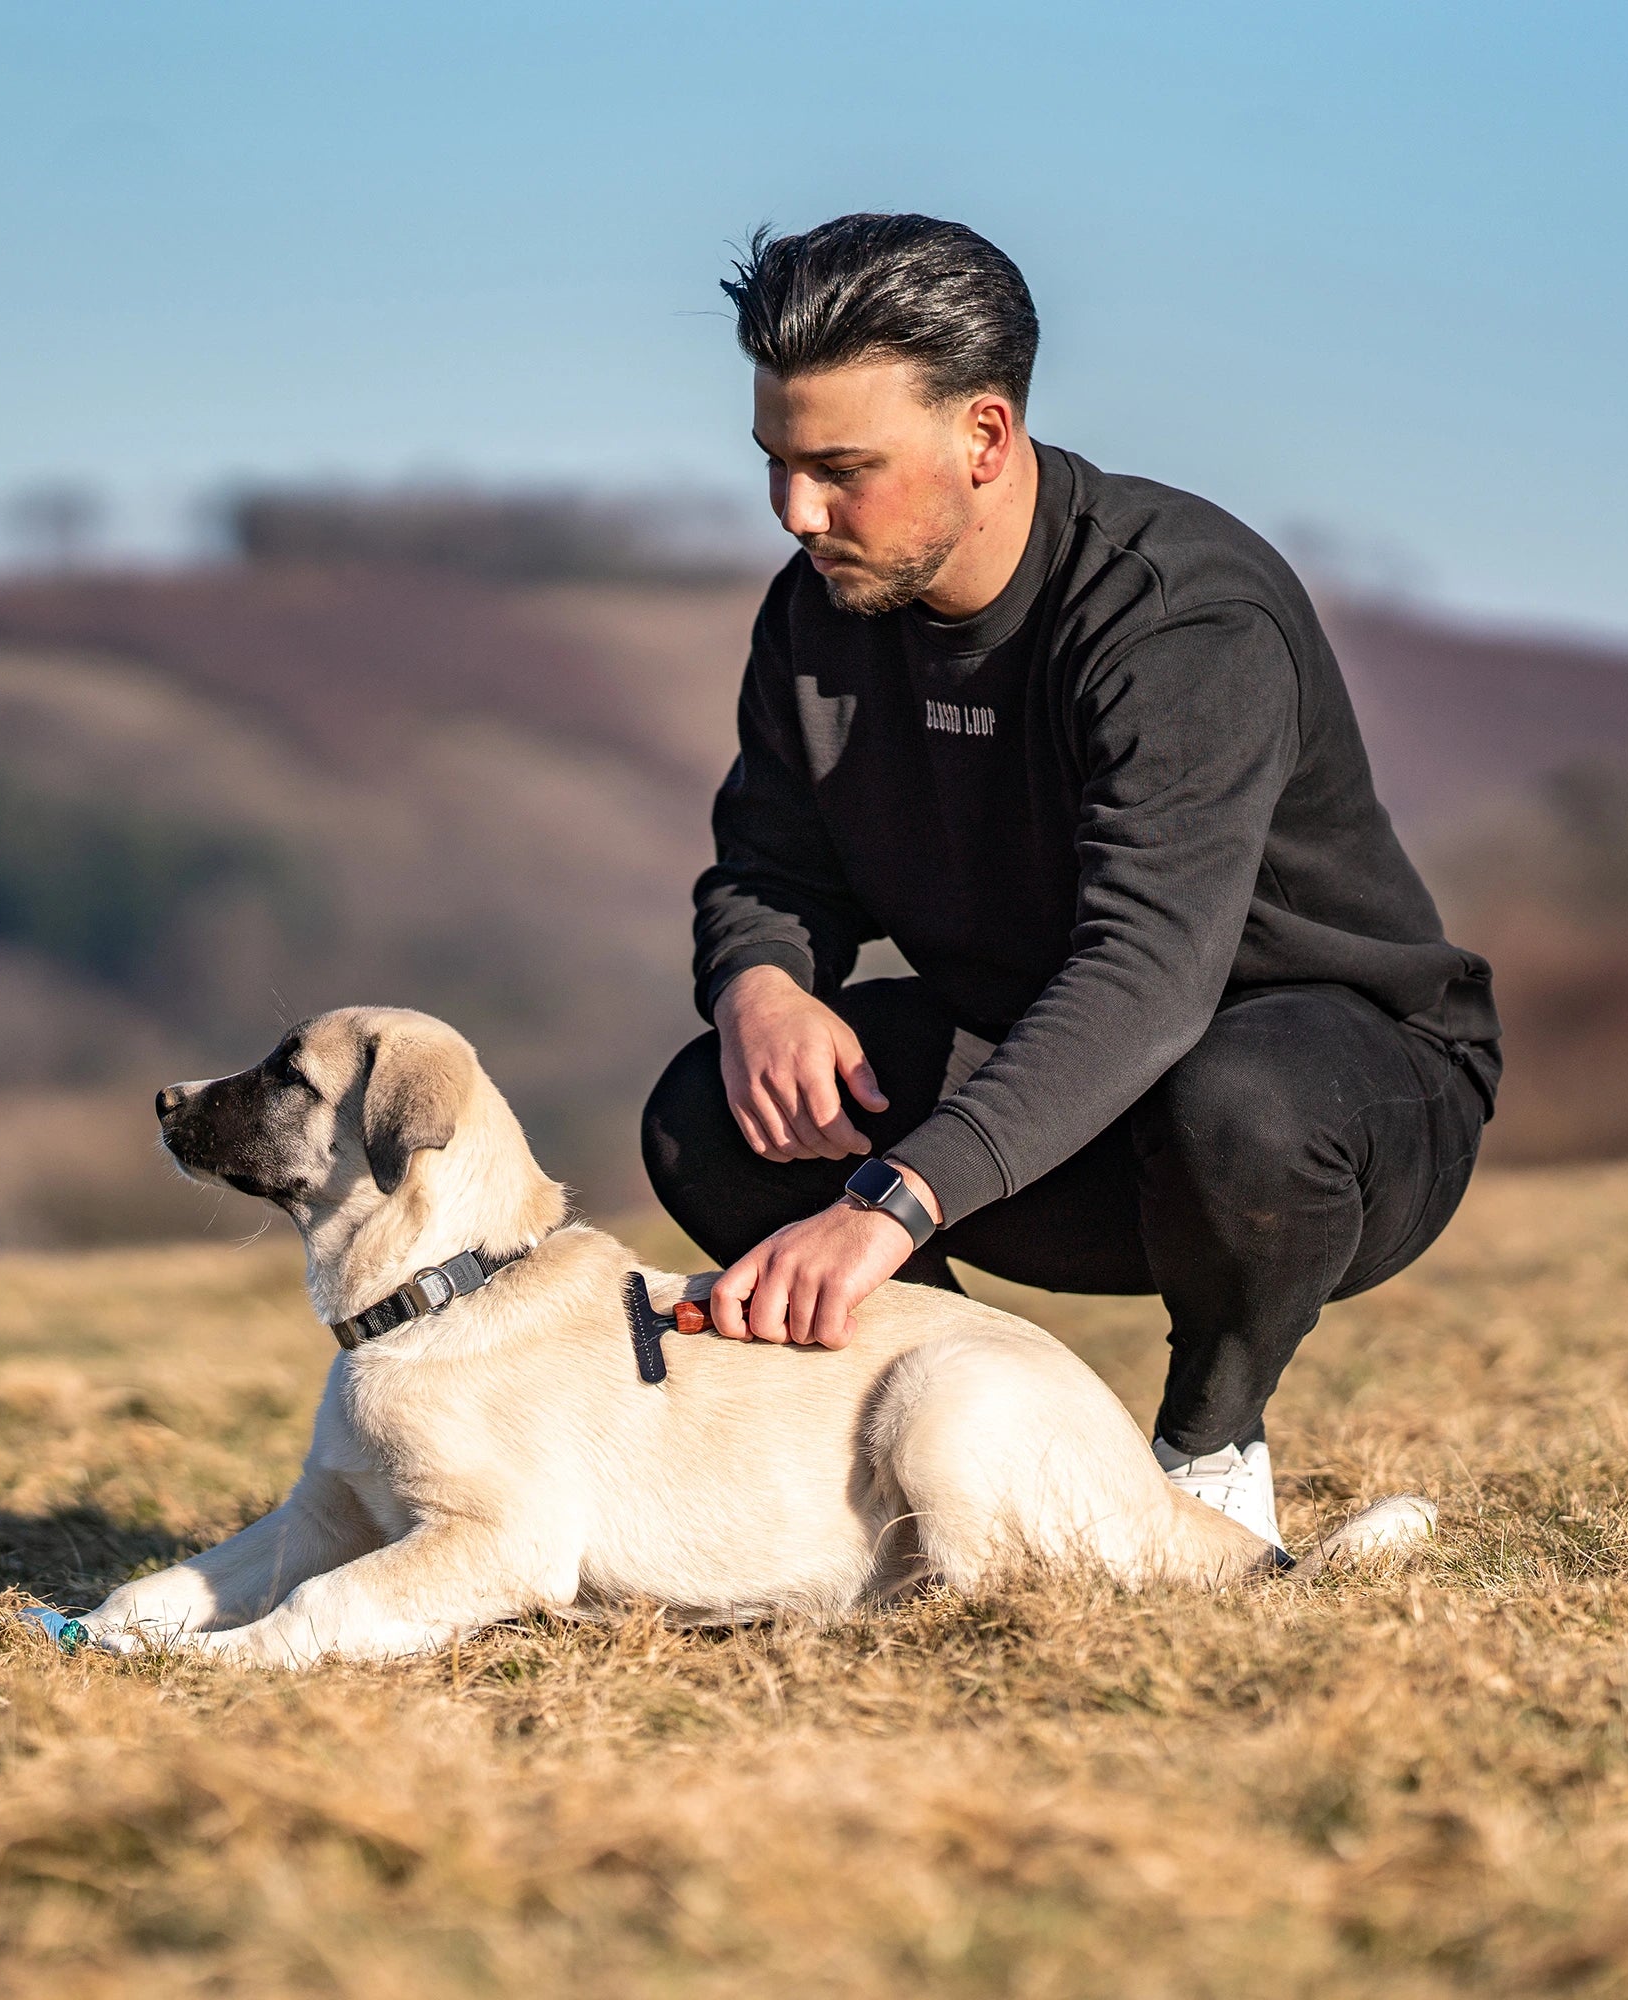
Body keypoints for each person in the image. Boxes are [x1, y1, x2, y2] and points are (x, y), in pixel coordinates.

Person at [640, 214, 1501, 1548]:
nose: (796, 512)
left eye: (841, 469)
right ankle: (975, 1434)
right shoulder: (815, 615)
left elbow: (1150, 976)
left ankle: (1206, 1454)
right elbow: (769, 867)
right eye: (776, 464)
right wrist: (760, 982)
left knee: (1241, 1097)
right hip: (1061, 1105)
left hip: (1320, 1116)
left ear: (985, 439)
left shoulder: (1180, 617)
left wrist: (886, 1204)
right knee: (710, 1113)